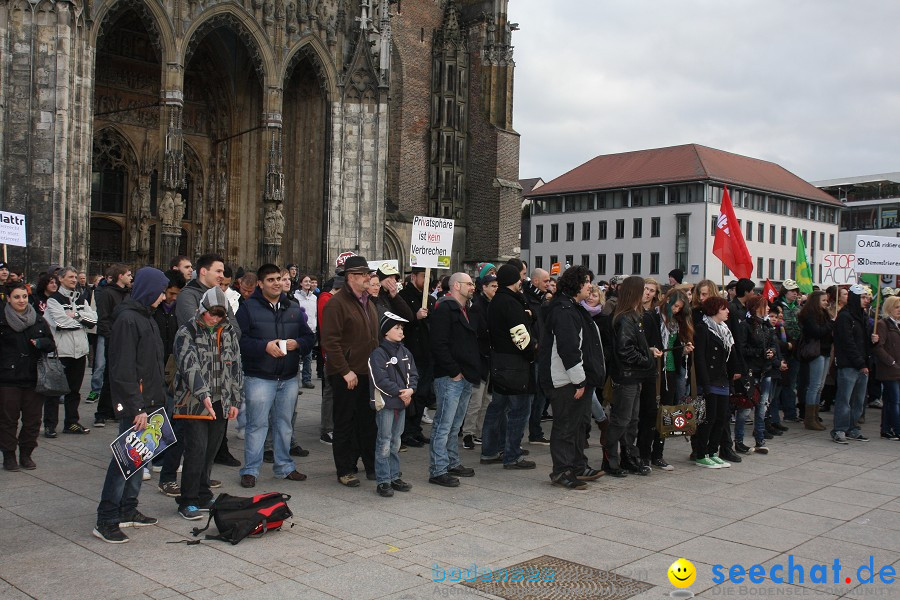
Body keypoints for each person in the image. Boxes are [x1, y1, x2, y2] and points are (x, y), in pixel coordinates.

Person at [93, 267, 169, 544]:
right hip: (137, 404)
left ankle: (128, 508)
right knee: (124, 461)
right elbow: (123, 368)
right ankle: (107, 517)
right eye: (160, 291)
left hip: (150, 399)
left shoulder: (145, 316)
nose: (163, 297)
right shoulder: (128, 319)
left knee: (140, 457)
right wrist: (136, 407)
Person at [236, 264, 314, 488]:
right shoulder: (248, 308)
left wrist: (297, 343)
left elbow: (309, 338)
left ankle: (284, 466)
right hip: (260, 377)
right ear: (260, 284)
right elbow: (239, 341)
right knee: (257, 425)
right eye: (270, 280)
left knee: (284, 425)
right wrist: (264, 347)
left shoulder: (292, 307)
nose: (277, 283)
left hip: (288, 377)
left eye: (279, 278)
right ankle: (250, 469)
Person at [172, 287, 243, 519]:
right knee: (196, 449)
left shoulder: (229, 331)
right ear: (202, 309)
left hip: (221, 399)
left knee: (211, 449)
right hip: (194, 401)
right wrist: (202, 394)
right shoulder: (188, 330)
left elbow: (235, 366)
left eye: (220, 314)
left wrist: (235, 399)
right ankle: (188, 499)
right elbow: (188, 365)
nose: (214, 318)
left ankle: (203, 493)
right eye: (211, 313)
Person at [538, 265, 606, 490]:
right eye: (586, 281)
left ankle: (578, 465)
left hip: (576, 378)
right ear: (576, 284)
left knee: (578, 426)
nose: (590, 286)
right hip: (565, 381)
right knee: (565, 427)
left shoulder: (573, 307)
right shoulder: (564, 310)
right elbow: (569, 349)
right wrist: (579, 381)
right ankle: (562, 471)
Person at [176, 254, 241, 467]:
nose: (223, 276)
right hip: (196, 378)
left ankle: (208, 472)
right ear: (204, 271)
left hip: (220, 376)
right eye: (219, 271)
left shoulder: (219, 297)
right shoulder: (188, 295)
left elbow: (234, 328)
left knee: (215, 432)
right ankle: (180, 476)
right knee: (194, 440)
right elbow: (193, 329)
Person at [320, 256, 380, 487]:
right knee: (344, 422)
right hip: (346, 374)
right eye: (365, 274)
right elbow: (330, 342)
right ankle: (344, 469)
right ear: (352, 277)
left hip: (367, 372)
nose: (369, 278)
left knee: (367, 421)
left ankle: (370, 464)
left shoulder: (368, 302)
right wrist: (345, 371)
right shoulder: (337, 303)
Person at [481, 264, 537, 471]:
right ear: (516, 281)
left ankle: (489, 450)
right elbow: (520, 338)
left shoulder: (496, 301)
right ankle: (512, 455)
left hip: (499, 361)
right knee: (518, 410)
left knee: (497, 407)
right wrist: (532, 353)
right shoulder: (511, 303)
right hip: (515, 364)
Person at [602, 276, 659, 477]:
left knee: (632, 419)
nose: (646, 293)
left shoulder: (634, 315)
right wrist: (647, 359)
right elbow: (625, 351)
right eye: (642, 289)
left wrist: (648, 352)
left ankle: (627, 456)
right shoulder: (625, 317)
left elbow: (632, 346)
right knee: (621, 419)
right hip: (626, 376)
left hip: (634, 375)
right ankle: (610, 459)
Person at [428, 272, 480, 487]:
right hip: (450, 377)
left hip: (464, 376)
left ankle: (452, 462)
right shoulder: (445, 308)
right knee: (443, 424)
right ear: (456, 286)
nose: (473, 287)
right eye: (469, 283)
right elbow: (438, 343)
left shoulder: (464, 309)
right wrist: (453, 371)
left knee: (454, 424)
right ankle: (438, 469)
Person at [0, 283, 56, 471]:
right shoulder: (2, 320)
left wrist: (41, 342)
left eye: (24, 296)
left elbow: (51, 344)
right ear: (8, 298)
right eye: (16, 297)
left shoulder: (38, 320)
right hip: (8, 379)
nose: (21, 300)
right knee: (8, 420)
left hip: (34, 378)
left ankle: (26, 454)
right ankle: (9, 456)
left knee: (33, 421)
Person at [43, 266, 97, 437]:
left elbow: (94, 319)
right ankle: (50, 425)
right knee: (54, 391)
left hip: (79, 351)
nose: (74, 280)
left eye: (75, 277)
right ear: (61, 279)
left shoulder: (81, 298)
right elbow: (60, 323)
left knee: (74, 391)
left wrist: (76, 316)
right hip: (61, 351)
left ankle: (71, 422)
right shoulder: (54, 300)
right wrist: (81, 320)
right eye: (71, 277)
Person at [368, 311, 418, 497]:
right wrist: (401, 392)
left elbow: (414, 374)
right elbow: (379, 380)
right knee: (384, 442)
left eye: (402, 328)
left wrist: (411, 390)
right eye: (397, 327)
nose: (401, 331)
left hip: (402, 403)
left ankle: (395, 475)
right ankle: (383, 480)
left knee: (396, 441)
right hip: (387, 404)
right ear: (386, 331)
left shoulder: (405, 352)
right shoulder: (378, 354)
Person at [693, 296, 741, 468]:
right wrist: (705, 384)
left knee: (722, 418)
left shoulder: (725, 330)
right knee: (708, 419)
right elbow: (700, 358)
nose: (727, 311)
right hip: (709, 380)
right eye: (723, 308)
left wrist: (734, 373)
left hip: (722, 379)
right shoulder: (703, 328)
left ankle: (713, 451)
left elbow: (730, 355)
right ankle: (701, 453)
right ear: (714, 310)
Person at [653, 288, 693, 470]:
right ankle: (645, 452)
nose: (676, 310)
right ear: (667, 300)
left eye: (679, 308)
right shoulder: (653, 317)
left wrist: (683, 350)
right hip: (655, 371)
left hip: (670, 371)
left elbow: (675, 346)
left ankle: (658, 454)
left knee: (666, 413)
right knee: (651, 413)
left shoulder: (676, 323)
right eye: (675, 306)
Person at [154, 271, 186, 497]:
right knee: (157, 413)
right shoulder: (152, 311)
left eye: (176, 295)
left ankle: (164, 458)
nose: (171, 298)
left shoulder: (178, 311)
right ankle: (153, 458)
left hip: (172, 365)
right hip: (154, 365)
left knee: (171, 413)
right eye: (169, 293)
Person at [832, 284, 876, 444]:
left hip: (862, 363)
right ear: (856, 298)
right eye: (863, 297)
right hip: (849, 365)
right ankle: (840, 429)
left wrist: (873, 341)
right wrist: (860, 363)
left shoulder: (862, 316)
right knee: (844, 399)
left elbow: (863, 341)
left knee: (858, 400)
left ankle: (853, 427)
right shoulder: (845, 317)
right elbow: (847, 343)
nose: (867, 300)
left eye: (867, 297)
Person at [736, 295, 779, 454]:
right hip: (751, 372)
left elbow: (773, 344)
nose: (768, 309)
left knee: (762, 407)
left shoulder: (767, 326)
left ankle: (760, 439)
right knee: (745, 408)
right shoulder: (745, 326)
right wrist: (760, 353)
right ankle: (739, 441)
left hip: (765, 370)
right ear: (755, 308)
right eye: (765, 306)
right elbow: (742, 349)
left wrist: (772, 352)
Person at [398, 267, 435, 447]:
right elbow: (401, 323)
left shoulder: (429, 297)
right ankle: (406, 431)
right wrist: (415, 317)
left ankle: (415, 429)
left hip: (427, 351)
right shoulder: (404, 296)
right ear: (414, 277)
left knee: (423, 394)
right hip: (412, 351)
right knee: (411, 393)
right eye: (424, 276)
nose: (427, 279)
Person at [93, 264, 133, 429]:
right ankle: (101, 413)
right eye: (129, 274)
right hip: (113, 339)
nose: (131, 277)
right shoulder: (108, 293)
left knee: (120, 377)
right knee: (110, 377)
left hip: (126, 339)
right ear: (120, 276)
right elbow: (103, 319)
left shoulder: (128, 294)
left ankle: (114, 410)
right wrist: (111, 337)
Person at [462, 274, 497, 449]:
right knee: (476, 400)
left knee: (487, 399)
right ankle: (468, 432)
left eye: (497, 286)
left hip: (490, 359)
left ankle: (480, 431)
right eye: (492, 286)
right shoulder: (477, 307)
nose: (495, 289)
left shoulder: (494, 305)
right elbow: (476, 333)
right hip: (481, 358)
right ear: (484, 287)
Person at [636, 278, 663, 473]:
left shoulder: (653, 316)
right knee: (629, 416)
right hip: (630, 370)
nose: (647, 293)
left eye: (651, 290)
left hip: (648, 370)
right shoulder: (627, 313)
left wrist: (653, 349)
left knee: (649, 412)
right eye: (645, 289)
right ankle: (630, 452)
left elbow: (657, 342)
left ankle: (645, 454)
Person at [797, 291, 833, 431]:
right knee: (814, 385)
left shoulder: (825, 314)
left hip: (825, 351)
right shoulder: (809, 315)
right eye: (823, 300)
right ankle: (809, 418)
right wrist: (831, 325)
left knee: (820, 386)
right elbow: (817, 331)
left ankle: (815, 416)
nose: (826, 303)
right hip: (815, 352)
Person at [524, 268, 551, 446]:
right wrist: (533, 342)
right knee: (531, 396)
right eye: (546, 281)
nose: (548, 284)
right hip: (533, 354)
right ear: (535, 281)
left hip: (543, 353)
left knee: (541, 394)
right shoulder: (526, 299)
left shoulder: (543, 300)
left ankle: (535, 431)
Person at [776, 279, 803, 424]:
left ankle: (790, 412)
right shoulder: (778, 307)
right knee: (781, 384)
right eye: (792, 291)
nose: (795, 293)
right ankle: (780, 412)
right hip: (783, 349)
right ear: (784, 292)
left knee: (791, 383)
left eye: (796, 291)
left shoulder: (798, 308)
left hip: (795, 349)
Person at [874, 295, 900, 440]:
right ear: (889, 308)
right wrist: (891, 362)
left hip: (897, 369)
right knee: (894, 401)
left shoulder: (897, 325)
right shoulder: (883, 324)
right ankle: (897, 429)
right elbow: (879, 347)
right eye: (896, 307)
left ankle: (886, 429)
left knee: (891, 401)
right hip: (889, 370)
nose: (899, 310)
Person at [293, 273, 318, 390]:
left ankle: (307, 379)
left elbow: (315, 314)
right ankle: (296, 381)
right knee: (297, 357)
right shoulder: (296, 297)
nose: (308, 283)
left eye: (309, 281)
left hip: (311, 329)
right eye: (306, 281)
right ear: (301, 283)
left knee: (308, 357)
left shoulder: (314, 298)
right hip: (299, 330)